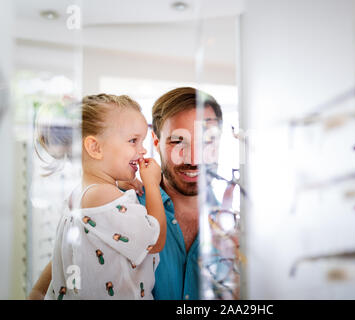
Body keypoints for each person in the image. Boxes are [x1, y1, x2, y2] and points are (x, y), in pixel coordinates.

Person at [28, 87, 223, 300]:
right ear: (156, 143)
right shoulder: (119, 202)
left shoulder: (237, 223)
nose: (194, 158)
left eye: (207, 141)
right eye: (178, 141)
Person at [35, 94, 166, 299]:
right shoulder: (104, 197)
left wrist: (117, 183)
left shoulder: (81, 195)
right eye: (133, 141)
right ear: (95, 148)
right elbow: (155, 241)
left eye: (142, 141)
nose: (142, 150)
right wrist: (152, 186)